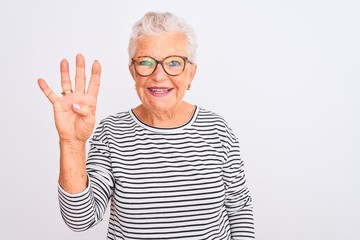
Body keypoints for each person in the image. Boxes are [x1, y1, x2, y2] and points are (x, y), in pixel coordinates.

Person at [38, 11, 255, 240]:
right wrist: (72, 144)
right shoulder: (111, 133)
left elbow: (239, 208)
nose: (159, 76)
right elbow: (80, 219)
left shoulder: (217, 130)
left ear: (191, 73)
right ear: (133, 72)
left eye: (174, 63)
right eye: (146, 62)